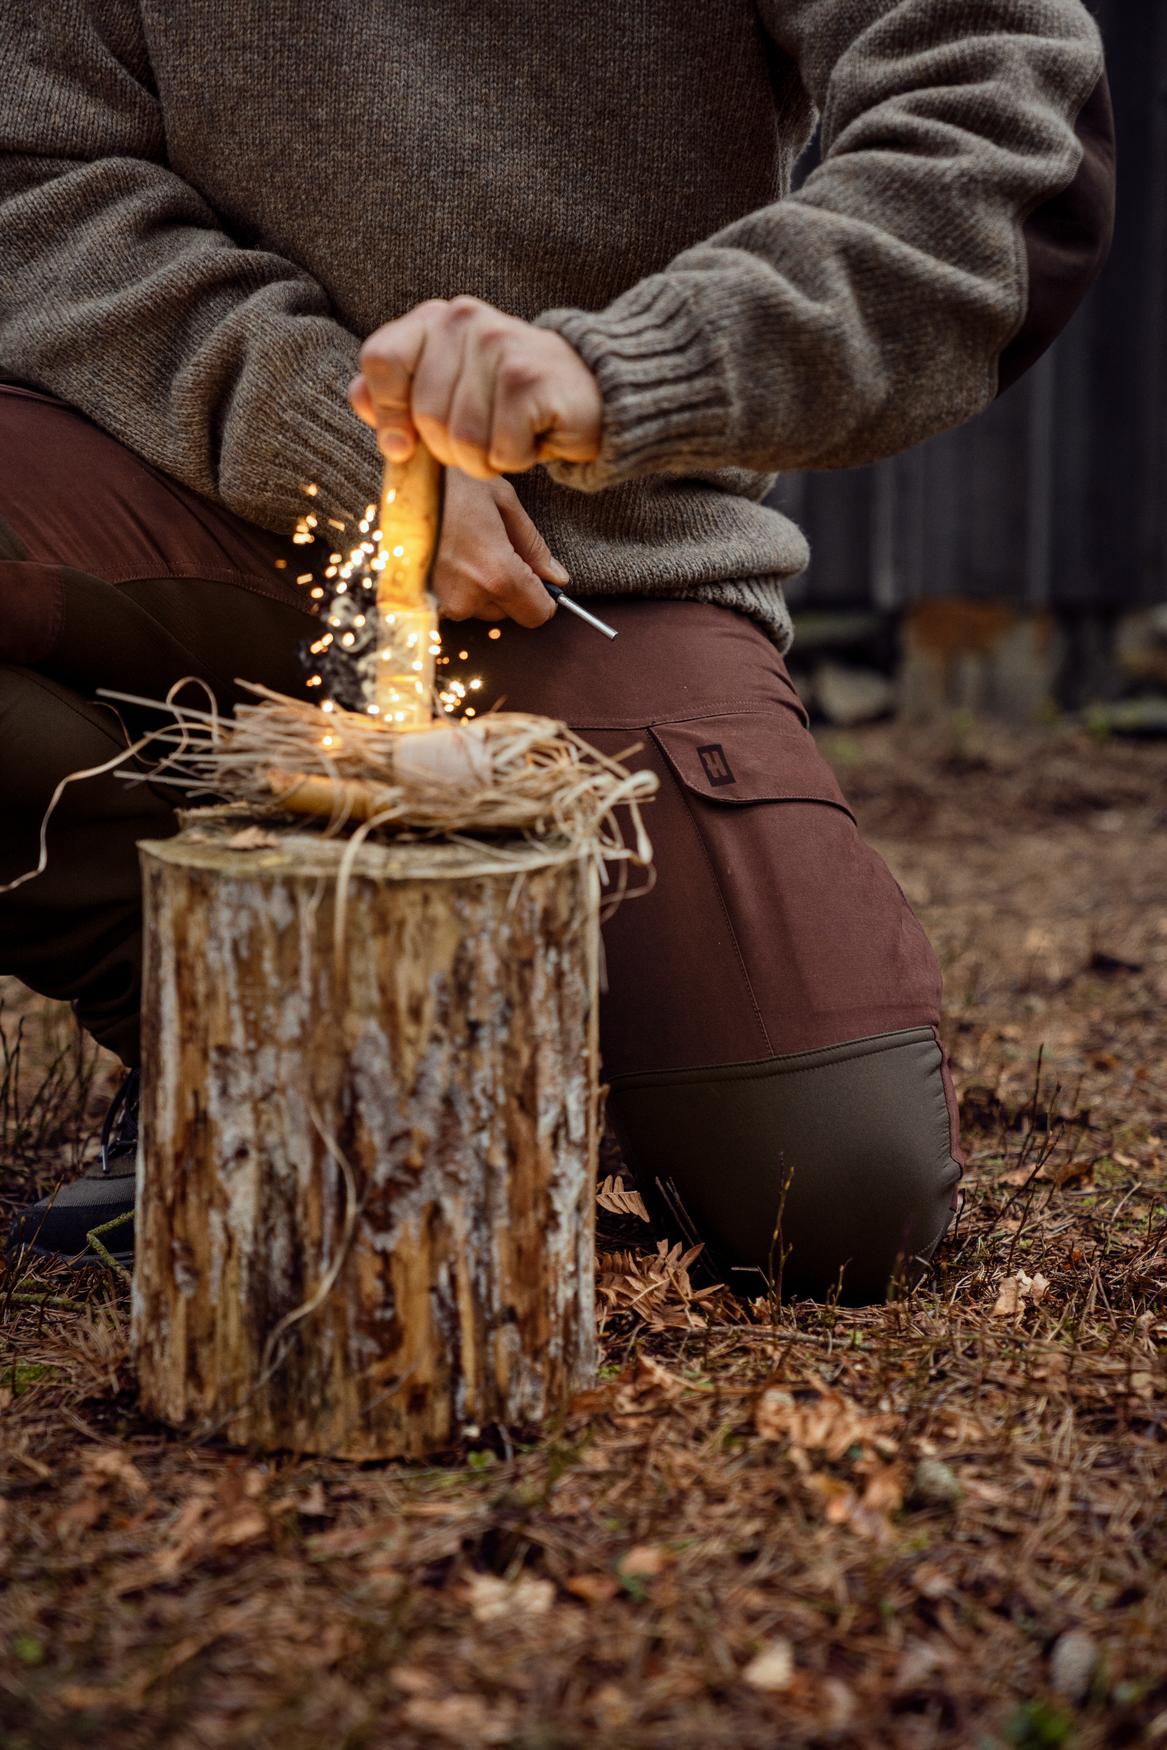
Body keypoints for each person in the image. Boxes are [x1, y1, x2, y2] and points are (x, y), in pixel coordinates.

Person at [0, 2, 1113, 1298]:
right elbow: (32, 167)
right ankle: (244, 1025)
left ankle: (459, 1037)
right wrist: (328, 434)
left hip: (594, 559)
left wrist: (623, 372)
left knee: (834, 1193)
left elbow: (1000, 117)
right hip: (186, 488)